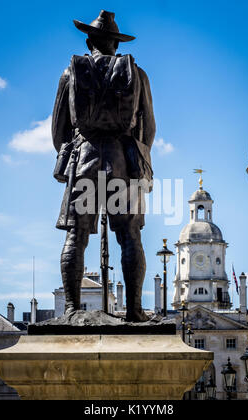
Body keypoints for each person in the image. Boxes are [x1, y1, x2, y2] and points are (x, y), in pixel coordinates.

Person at [52, 10, 156, 322]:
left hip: (84, 157)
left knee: (76, 236)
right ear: (115, 43)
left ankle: (71, 308)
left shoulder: (70, 73)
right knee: (129, 235)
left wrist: (73, 152)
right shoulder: (137, 74)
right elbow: (148, 127)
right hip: (123, 158)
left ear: (89, 40)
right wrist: (134, 154)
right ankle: (135, 310)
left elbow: (59, 130)